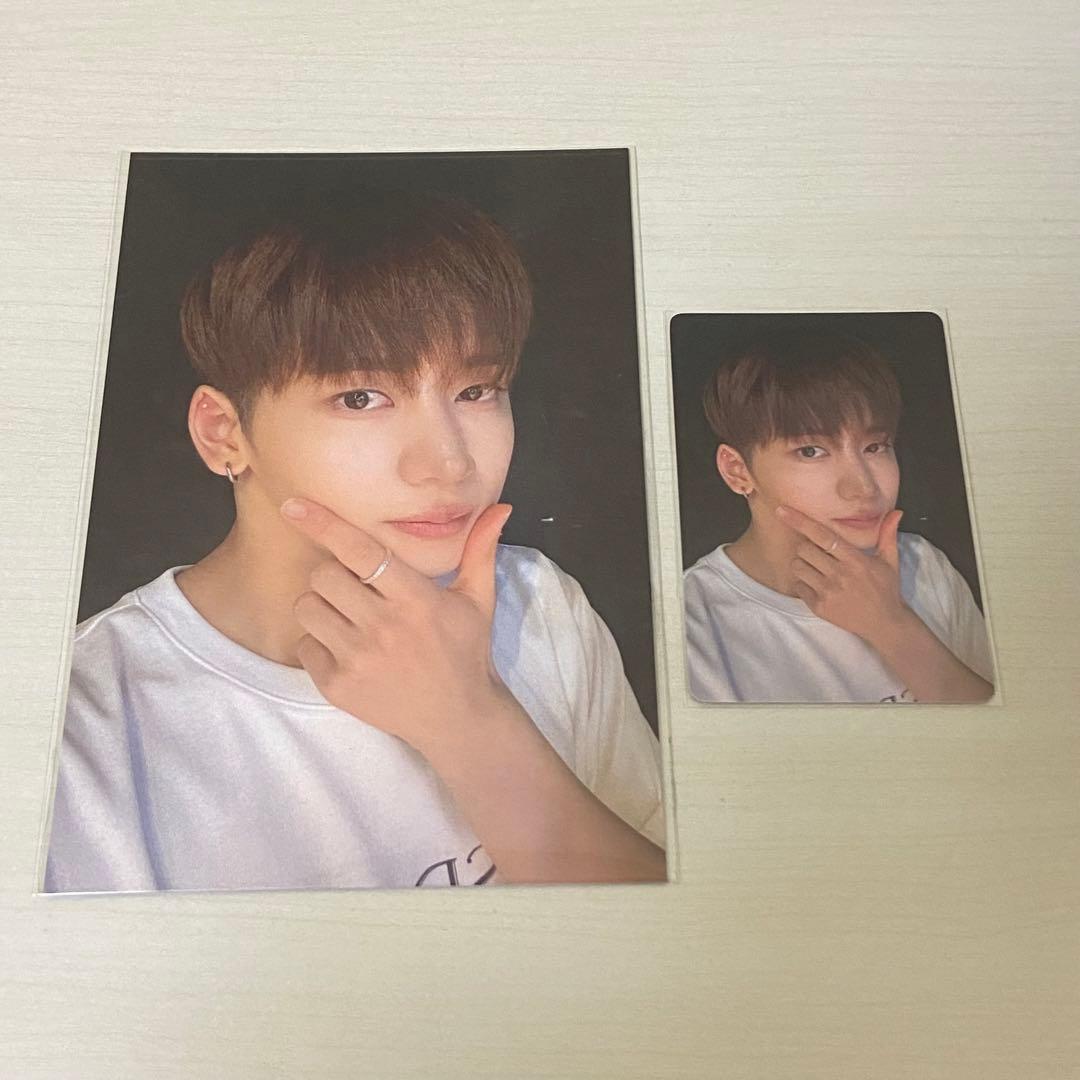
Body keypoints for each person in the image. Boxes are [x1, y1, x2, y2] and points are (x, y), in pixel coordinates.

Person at [45, 188, 665, 893]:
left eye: (476, 391)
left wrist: (469, 722)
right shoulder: (79, 726)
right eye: (361, 398)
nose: (449, 463)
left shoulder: (542, 610)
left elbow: (687, 940)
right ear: (224, 433)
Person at [683, 329, 995, 704]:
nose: (863, 487)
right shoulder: (694, 621)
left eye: (875, 447)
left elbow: (1013, 735)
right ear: (737, 471)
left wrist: (891, 625)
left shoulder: (924, 566)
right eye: (811, 451)